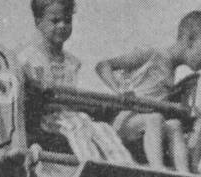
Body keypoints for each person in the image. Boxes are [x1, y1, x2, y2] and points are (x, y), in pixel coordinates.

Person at [95, 11, 201, 172]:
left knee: (174, 125)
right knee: (155, 118)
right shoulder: (151, 55)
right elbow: (103, 66)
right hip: (125, 121)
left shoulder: (172, 71)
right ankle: (158, 169)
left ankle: (183, 174)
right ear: (190, 40)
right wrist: (121, 90)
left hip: (149, 127)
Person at [18, 0, 133, 165]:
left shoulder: (71, 62)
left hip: (66, 113)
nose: (62, 26)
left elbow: (71, 96)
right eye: (55, 21)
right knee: (76, 127)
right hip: (43, 115)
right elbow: (28, 89)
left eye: (67, 20)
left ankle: (122, 164)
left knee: (101, 128)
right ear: (38, 22)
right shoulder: (30, 58)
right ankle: (91, 164)